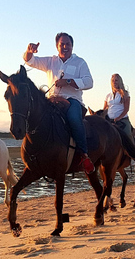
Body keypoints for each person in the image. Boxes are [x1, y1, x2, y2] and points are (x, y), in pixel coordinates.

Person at [23, 32, 95, 174]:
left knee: (74, 119)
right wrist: (29, 51)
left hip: (72, 101)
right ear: (57, 46)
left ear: (72, 46)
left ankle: (83, 155)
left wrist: (68, 82)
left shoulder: (80, 62)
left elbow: (89, 82)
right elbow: (30, 61)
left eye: (67, 44)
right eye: (61, 44)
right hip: (52, 100)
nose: (65, 47)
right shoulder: (51, 61)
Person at [103, 73, 133, 142]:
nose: (114, 82)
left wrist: (118, 118)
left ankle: (132, 150)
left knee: (127, 134)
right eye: (113, 81)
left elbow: (126, 109)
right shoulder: (108, 96)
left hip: (122, 120)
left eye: (116, 80)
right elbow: (104, 109)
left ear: (119, 82)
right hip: (109, 120)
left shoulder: (125, 94)